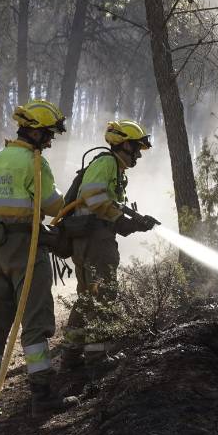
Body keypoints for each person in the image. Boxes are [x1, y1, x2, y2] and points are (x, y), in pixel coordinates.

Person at [0, 100, 66, 418]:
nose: (50, 141)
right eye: (48, 134)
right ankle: (43, 396)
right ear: (34, 133)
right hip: (25, 248)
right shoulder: (33, 162)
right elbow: (52, 205)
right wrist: (68, 205)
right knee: (35, 321)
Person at [59, 120, 157, 368]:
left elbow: (107, 205)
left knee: (87, 296)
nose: (138, 155)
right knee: (103, 294)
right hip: (95, 241)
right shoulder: (107, 162)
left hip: (88, 239)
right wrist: (120, 220)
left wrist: (133, 221)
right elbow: (94, 197)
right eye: (136, 148)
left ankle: (71, 354)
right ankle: (97, 357)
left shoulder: (112, 168)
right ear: (124, 144)